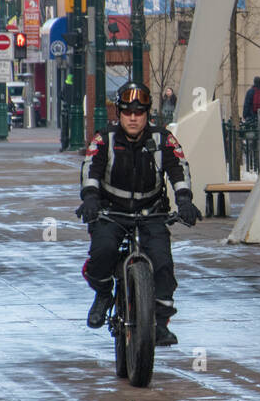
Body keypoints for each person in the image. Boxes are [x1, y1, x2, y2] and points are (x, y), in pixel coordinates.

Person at [78, 81, 203, 345]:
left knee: (163, 264)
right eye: (127, 112)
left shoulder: (162, 139)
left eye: (139, 113)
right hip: (111, 212)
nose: (133, 118)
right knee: (103, 251)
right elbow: (91, 169)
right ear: (119, 114)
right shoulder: (105, 138)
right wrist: (90, 198)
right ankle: (103, 294)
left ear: (147, 114)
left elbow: (179, 168)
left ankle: (158, 323)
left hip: (151, 213)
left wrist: (184, 201)